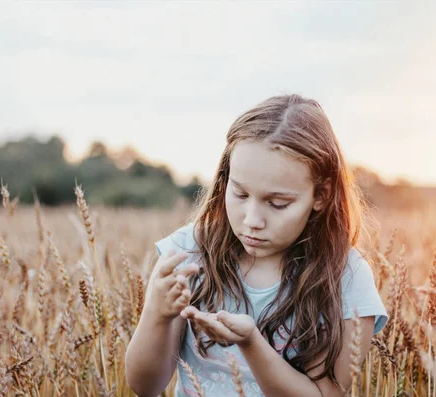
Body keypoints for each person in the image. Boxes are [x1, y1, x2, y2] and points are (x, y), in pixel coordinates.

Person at [125, 94, 388, 397]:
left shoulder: (346, 278)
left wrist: (251, 343)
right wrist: (157, 314)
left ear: (321, 195)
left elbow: (326, 394)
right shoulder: (190, 251)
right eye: (239, 193)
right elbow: (144, 385)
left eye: (277, 204)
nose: (252, 220)